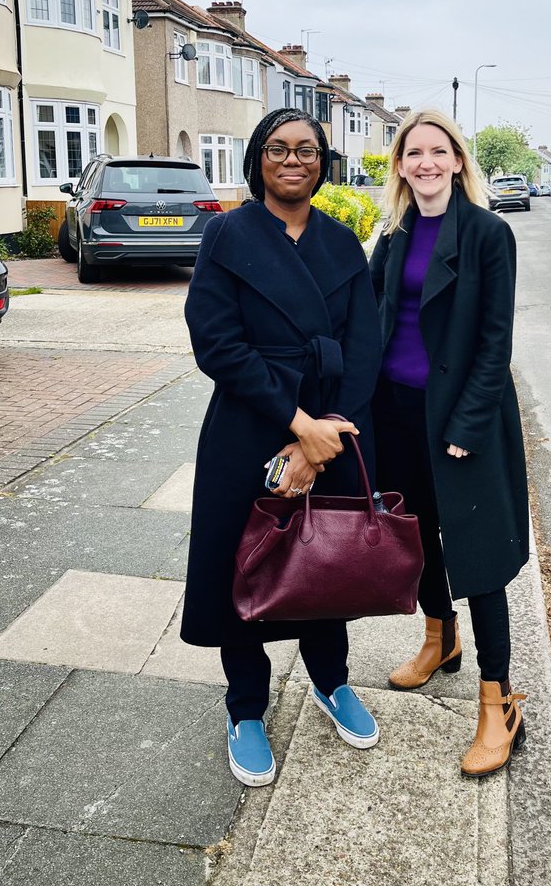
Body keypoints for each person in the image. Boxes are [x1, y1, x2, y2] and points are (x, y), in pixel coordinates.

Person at [181, 108, 383, 788]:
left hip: (331, 425)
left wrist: (325, 434)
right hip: (250, 423)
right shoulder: (227, 234)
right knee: (244, 568)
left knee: (324, 560)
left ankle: (332, 682)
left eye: (306, 149)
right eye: (278, 148)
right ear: (258, 158)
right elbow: (217, 342)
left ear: (323, 162)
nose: (292, 159)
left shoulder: (343, 244)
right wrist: (297, 423)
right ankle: (245, 710)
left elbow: (363, 347)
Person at [369, 109, 530, 778]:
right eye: (415, 153)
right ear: (401, 165)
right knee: (415, 535)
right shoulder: (395, 231)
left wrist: (466, 425)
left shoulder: (490, 234)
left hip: (462, 420)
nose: (427, 162)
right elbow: (370, 316)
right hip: (395, 411)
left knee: (479, 555)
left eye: (439, 151)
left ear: (459, 161)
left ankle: (499, 703)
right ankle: (440, 639)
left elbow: (495, 342)